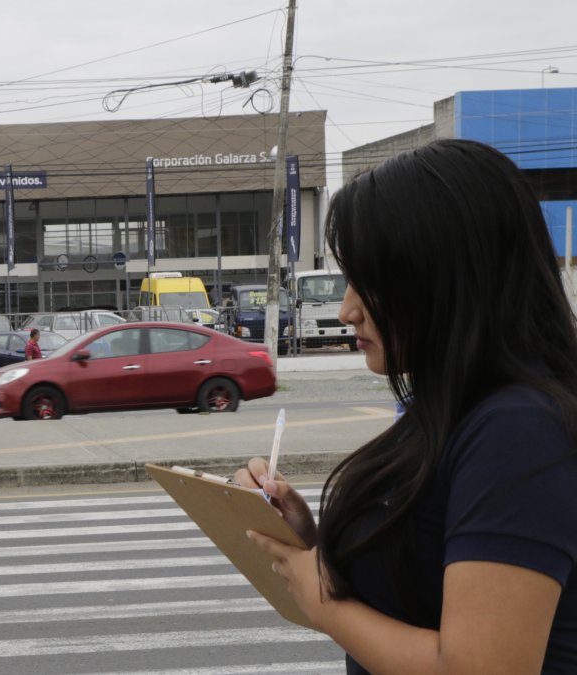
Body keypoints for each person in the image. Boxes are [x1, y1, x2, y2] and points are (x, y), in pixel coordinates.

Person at [235, 139, 577, 674]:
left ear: (442, 278)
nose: (348, 310)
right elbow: (418, 589)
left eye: (368, 283)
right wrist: (312, 543)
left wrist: (323, 599)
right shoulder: (455, 407)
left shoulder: (519, 429)